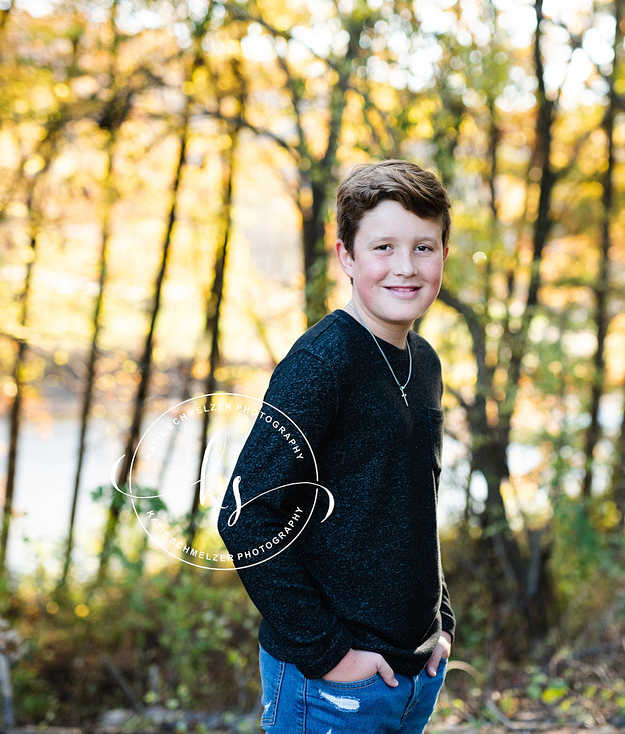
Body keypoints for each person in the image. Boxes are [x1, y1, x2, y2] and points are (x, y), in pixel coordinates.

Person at [218, 159, 456, 733]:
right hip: (330, 687)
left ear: (445, 253)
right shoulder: (322, 364)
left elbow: (410, 502)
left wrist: (440, 618)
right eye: (383, 248)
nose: (406, 267)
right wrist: (328, 654)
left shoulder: (422, 362)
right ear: (346, 256)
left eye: (424, 247)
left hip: (412, 674)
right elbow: (245, 518)